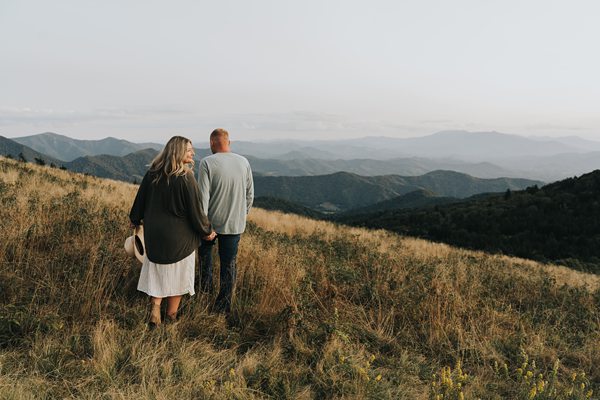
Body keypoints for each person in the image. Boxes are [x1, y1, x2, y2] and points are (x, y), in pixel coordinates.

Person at [130, 136, 216, 326]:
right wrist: (207, 231)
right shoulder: (186, 178)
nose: (193, 153)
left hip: (154, 236)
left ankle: (155, 307)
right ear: (178, 152)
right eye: (188, 150)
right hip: (179, 239)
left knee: (158, 272)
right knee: (177, 276)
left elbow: (139, 203)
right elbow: (196, 212)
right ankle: (171, 316)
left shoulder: (152, 174)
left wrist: (135, 220)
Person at [198, 128, 254, 314]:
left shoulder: (206, 162)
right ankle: (223, 307)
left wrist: (204, 226)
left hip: (210, 225)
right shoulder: (244, 162)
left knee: (205, 259)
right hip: (235, 224)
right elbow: (249, 195)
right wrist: (240, 215)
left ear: (212, 143)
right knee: (229, 264)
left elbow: (203, 198)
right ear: (228, 142)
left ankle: (203, 296)